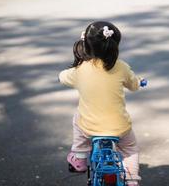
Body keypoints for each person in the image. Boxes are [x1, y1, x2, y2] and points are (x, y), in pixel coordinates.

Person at [59, 21, 144, 186]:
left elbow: (63, 77)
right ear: (113, 46)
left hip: (89, 127)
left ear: (87, 45)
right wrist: (140, 82)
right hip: (120, 127)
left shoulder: (80, 69)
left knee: (78, 118)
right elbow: (134, 84)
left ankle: (80, 157)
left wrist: (62, 75)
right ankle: (132, 179)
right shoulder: (122, 67)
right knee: (130, 149)